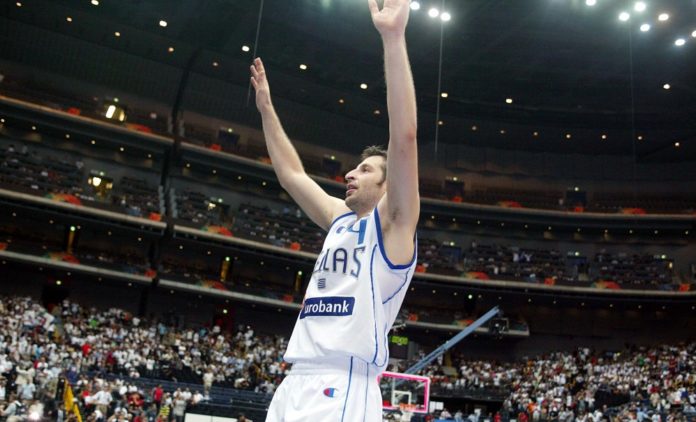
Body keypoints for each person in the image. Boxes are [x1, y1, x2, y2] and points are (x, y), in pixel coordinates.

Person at [250, 0, 418, 420]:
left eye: (365, 170)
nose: (350, 174)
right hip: (296, 379)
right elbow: (291, 174)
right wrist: (267, 110)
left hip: (344, 382)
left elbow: (405, 138)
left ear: (388, 186)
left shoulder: (393, 226)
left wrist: (393, 38)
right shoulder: (341, 220)